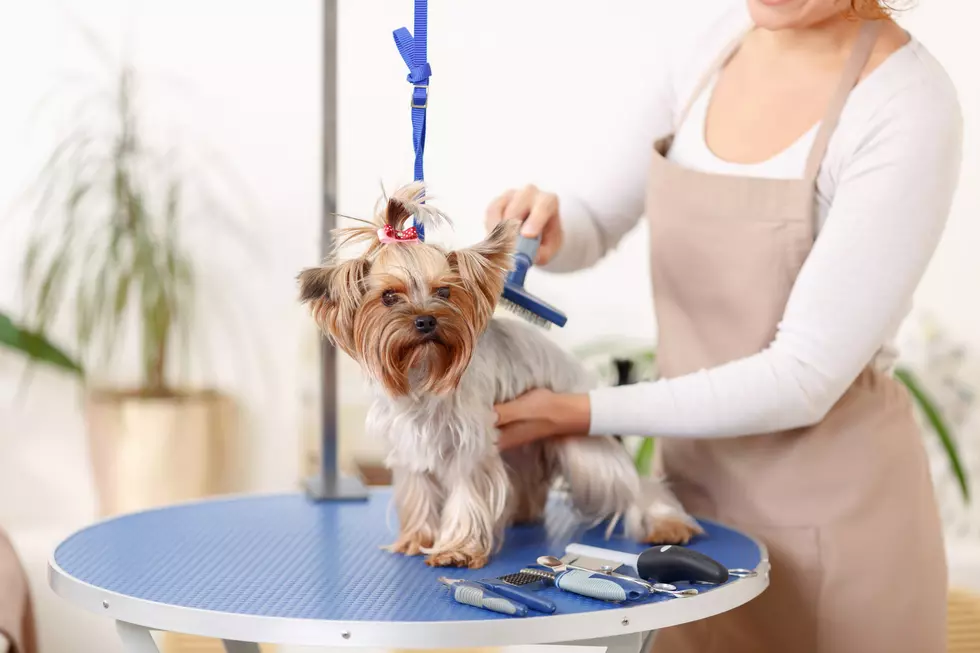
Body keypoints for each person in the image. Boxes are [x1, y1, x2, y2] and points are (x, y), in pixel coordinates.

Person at [485, 0, 962, 651]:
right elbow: (596, 223)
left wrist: (575, 411)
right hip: (693, 516)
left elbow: (801, 377)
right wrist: (553, 231)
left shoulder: (905, 105)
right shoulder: (711, 48)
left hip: (839, 527)